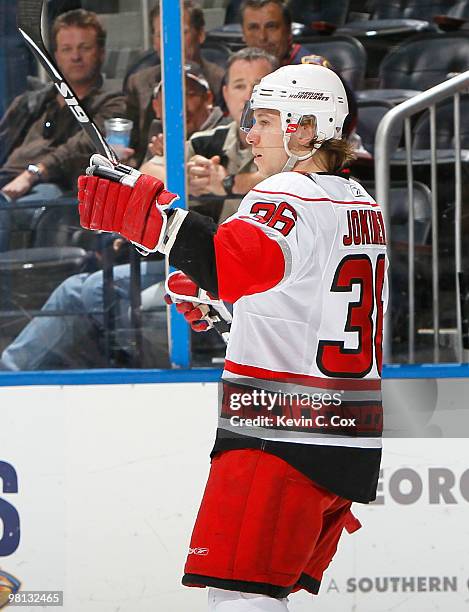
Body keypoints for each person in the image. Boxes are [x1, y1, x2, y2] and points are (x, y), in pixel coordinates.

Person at [77, 62, 387, 610]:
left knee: (239, 601)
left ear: (304, 127)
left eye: (264, 120)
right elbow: (304, 298)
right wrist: (230, 314)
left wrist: (149, 214)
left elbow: (229, 265)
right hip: (346, 440)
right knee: (264, 597)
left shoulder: (287, 194)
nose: (249, 134)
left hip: (279, 439)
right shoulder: (358, 203)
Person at [0, 9, 125, 251]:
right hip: (9, 181)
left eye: (84, 48)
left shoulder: (113, 103)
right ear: (55, 56)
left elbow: (83, 145)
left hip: (53, 190)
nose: (75, 57)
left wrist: (34, 173)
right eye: (67, 49)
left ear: (101, 53)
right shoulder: (32, 102)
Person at [147, 48, 278, 222]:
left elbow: (294, 181)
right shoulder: (205, 141)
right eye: (239, 86)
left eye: (258, 86)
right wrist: (187, 177)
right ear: (225, 93)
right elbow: (148, 172)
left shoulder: (294, 142)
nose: (248, 96)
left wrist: (228, 183)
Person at [125, 0, 225, 165]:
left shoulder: (221, 80)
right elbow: (131, 145)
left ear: (200, 35)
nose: (171, 41)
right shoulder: (138, 82)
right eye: (161, 34)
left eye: (181, 32)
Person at [241, 0, 312, 66]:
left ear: (289, 30)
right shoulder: (236, 68)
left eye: (271, 27)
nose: (262, 37)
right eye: (254, 28)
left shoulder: (309, 70)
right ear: (243, 33)